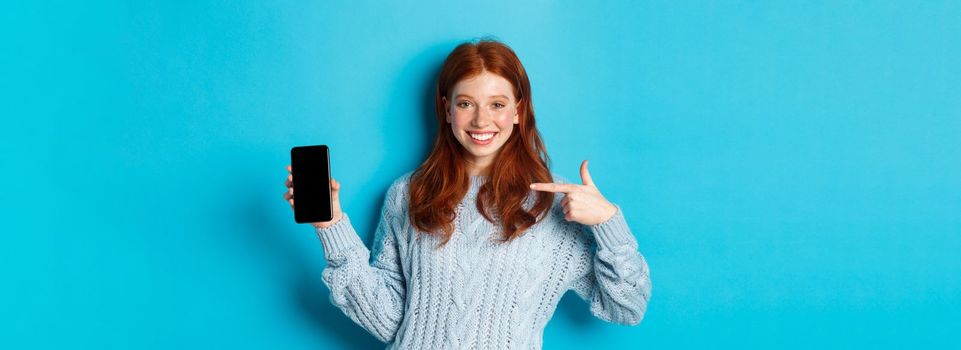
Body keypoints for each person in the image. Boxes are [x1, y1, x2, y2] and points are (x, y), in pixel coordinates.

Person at [283, 38, 651, 349]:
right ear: (446, 109)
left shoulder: (552, 203)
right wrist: (331, 227)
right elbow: (389, 321)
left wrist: (609, 223)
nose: (480, 121)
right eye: (465, 104)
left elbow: (628, 308)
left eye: (497, 104)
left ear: (518, 111)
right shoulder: (409, 193)